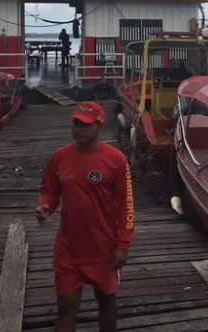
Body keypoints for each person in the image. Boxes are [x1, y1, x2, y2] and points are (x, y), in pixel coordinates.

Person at [35, 102, 135, 332]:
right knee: (66, 307)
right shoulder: (60, 157)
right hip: (68, 250)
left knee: (106, 301)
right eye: (75, 123)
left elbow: (126, 205)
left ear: (99, 126)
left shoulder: (116, 160)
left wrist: (123, 244)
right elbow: (50, 190)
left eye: (85, 125)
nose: (78, 129)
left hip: (104, 249)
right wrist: (44, 206)